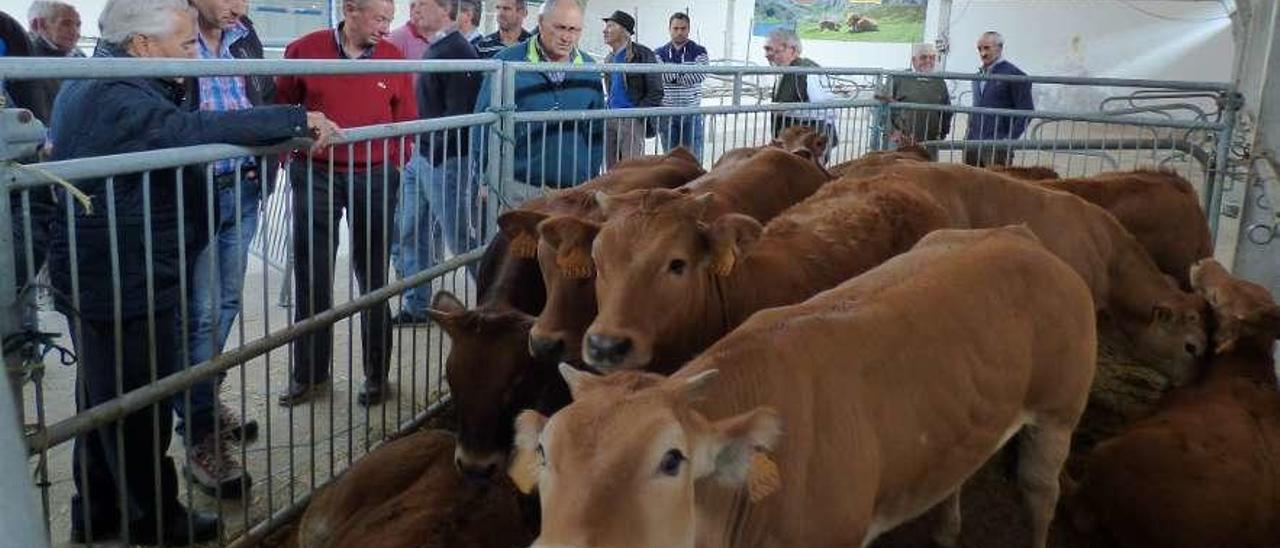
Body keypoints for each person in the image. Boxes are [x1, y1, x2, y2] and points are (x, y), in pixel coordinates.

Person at [47, 0, 338, 542]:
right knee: (139, 411)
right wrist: (294, 120)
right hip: (123, 278)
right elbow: (190, 128)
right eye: (183, 44)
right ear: (142, 46)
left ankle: (100, 521)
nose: (193, 54)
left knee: (101, 406)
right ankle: (157, 524)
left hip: (107, 273)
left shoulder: (104, 77)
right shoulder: (117, 94)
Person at [276, 0, 417, 408]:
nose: (386, 28)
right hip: (315, 172)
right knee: (312, 271)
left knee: (373, 273)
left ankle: (377, 374)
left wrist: (394, 161)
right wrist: (291, 159)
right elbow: (285, 107)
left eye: (390, 20)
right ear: (350, 10)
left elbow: (406, 115)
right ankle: (310, 374)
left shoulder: (392, 57)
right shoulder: (304, 49)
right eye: (379, 18)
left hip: (373, 174)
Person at [176, 0, 277, 499]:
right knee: (198, 313)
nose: (240, 6)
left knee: (225, 305)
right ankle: (197, 433)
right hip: (191, 194)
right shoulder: (167, 30)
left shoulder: (245, 33)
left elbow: (260, 95)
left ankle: (201, 401)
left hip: (245, 186)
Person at [394, 0, 482, 324]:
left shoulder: (457, 50)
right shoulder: (440, 46)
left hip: (444, 159)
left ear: (445, 10)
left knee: (459, 238)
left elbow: (459, 113)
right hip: (424, 154)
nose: (414, 10)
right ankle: (416, 305)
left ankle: (497, 299)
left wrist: (434, 148)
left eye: (421, 4)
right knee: (411, 230)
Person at [472, 0, 604, 199]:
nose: (567, 37)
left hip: (573, 190)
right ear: (541, 23)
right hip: (519, 187)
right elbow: (483, 124)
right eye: (560, 28)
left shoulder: (589, 68)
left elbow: (596, 130)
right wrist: (484, 177)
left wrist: (592, 178)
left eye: (574, 30)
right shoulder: (506, 62)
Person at [764, 27, 837, 162]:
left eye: (772, 50)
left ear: (791, 50)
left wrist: (780, 109)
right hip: (801, 142)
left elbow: (822, 107)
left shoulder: (802, 71)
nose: (767, 55)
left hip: (807, 145)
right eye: (766, 50)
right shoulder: (791, 70)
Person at [600, 10, 662, 168]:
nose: (605, 30)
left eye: (611, 26)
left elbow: (656, 90)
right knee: (611, 169)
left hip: (631, 119)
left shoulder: (642, 54)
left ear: (625, 32)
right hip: (611, 118)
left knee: (630, 169)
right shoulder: (609, 59)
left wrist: (637, 115)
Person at [965, 31, 1033, 167]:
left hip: (997, 145)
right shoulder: (978, 76)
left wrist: (1008, 139)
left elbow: (1027, 111)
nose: (983, 53)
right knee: (969, 185)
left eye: (987, 48)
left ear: (999, 48)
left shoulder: (1014, 75)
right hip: (973, 142)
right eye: (980, 49)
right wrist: (969, 134)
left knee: (994, 185)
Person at [654, 11, 707, 160]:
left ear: (688, 29)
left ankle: (695, 183)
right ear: (669, 29)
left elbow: (699, 75)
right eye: (675, 28)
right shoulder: (658, 53)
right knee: (670, 158)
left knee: (694, 157)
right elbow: (659, 76)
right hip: (667, 113)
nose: (679, 32)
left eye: (683, 28)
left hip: (691, 112)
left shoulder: (699, 52)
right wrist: (684, 73)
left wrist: (672, 74)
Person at [887, 42, 952, 158]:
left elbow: (947, 110)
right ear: (913, 60)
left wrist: (942, 133)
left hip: (930, 144)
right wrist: (893, 132)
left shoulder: (939, 82)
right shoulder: (899, 79)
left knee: (928, 174)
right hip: (902, 144)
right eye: (923, 57)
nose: (928, 61)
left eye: (932, 58)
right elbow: (882, 107)